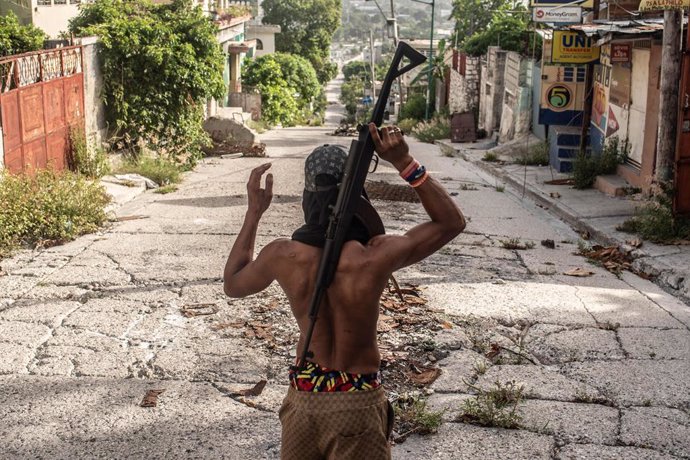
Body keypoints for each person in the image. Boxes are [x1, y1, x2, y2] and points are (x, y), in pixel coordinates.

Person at [223, 123, 466, 460]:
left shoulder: (283, 255)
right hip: (357, 400)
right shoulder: (375, 255)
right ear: (356, 197)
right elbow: (451, 223)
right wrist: (405, 162)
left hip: (303, 401)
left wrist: (254, 213)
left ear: (309, 196)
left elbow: (233, 284)